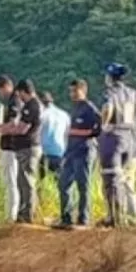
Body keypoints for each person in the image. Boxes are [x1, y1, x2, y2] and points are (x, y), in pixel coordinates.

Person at [0, 76, 42, 223]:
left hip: (24, 147)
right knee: (19, 181)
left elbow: (20, 128)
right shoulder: (26, 104)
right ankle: (22, 212)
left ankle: (23, 213)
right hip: (20, 147)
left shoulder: (26, 104)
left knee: (23, 182)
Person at [99, 63, 136, 228]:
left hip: (115, 141)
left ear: (109, 77)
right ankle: (134, 219)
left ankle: (115, 218)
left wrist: (104, 124)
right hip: (131, 142)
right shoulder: (132, 93)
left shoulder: (110, 92)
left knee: (112, 180)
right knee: (129, 183)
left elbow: (108, 107)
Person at [58, 79, 101, 228]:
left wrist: (81, 132)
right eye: (71, 91)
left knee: (83, 185)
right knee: (64, 183)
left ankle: (84, 218)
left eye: (75, 91)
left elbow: (99, 128)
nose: (73, 94)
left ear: (84, 91)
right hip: (71, 151)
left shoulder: (90, 109)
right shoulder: (75, 108)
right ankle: (66, 217)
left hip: (84, 150)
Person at [38, 91, 69, 181]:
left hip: (44, 152)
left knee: (42, 183)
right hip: (60, 152)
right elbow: (67, 134)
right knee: (59, 183)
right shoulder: (64, 114)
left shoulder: (42, 115)